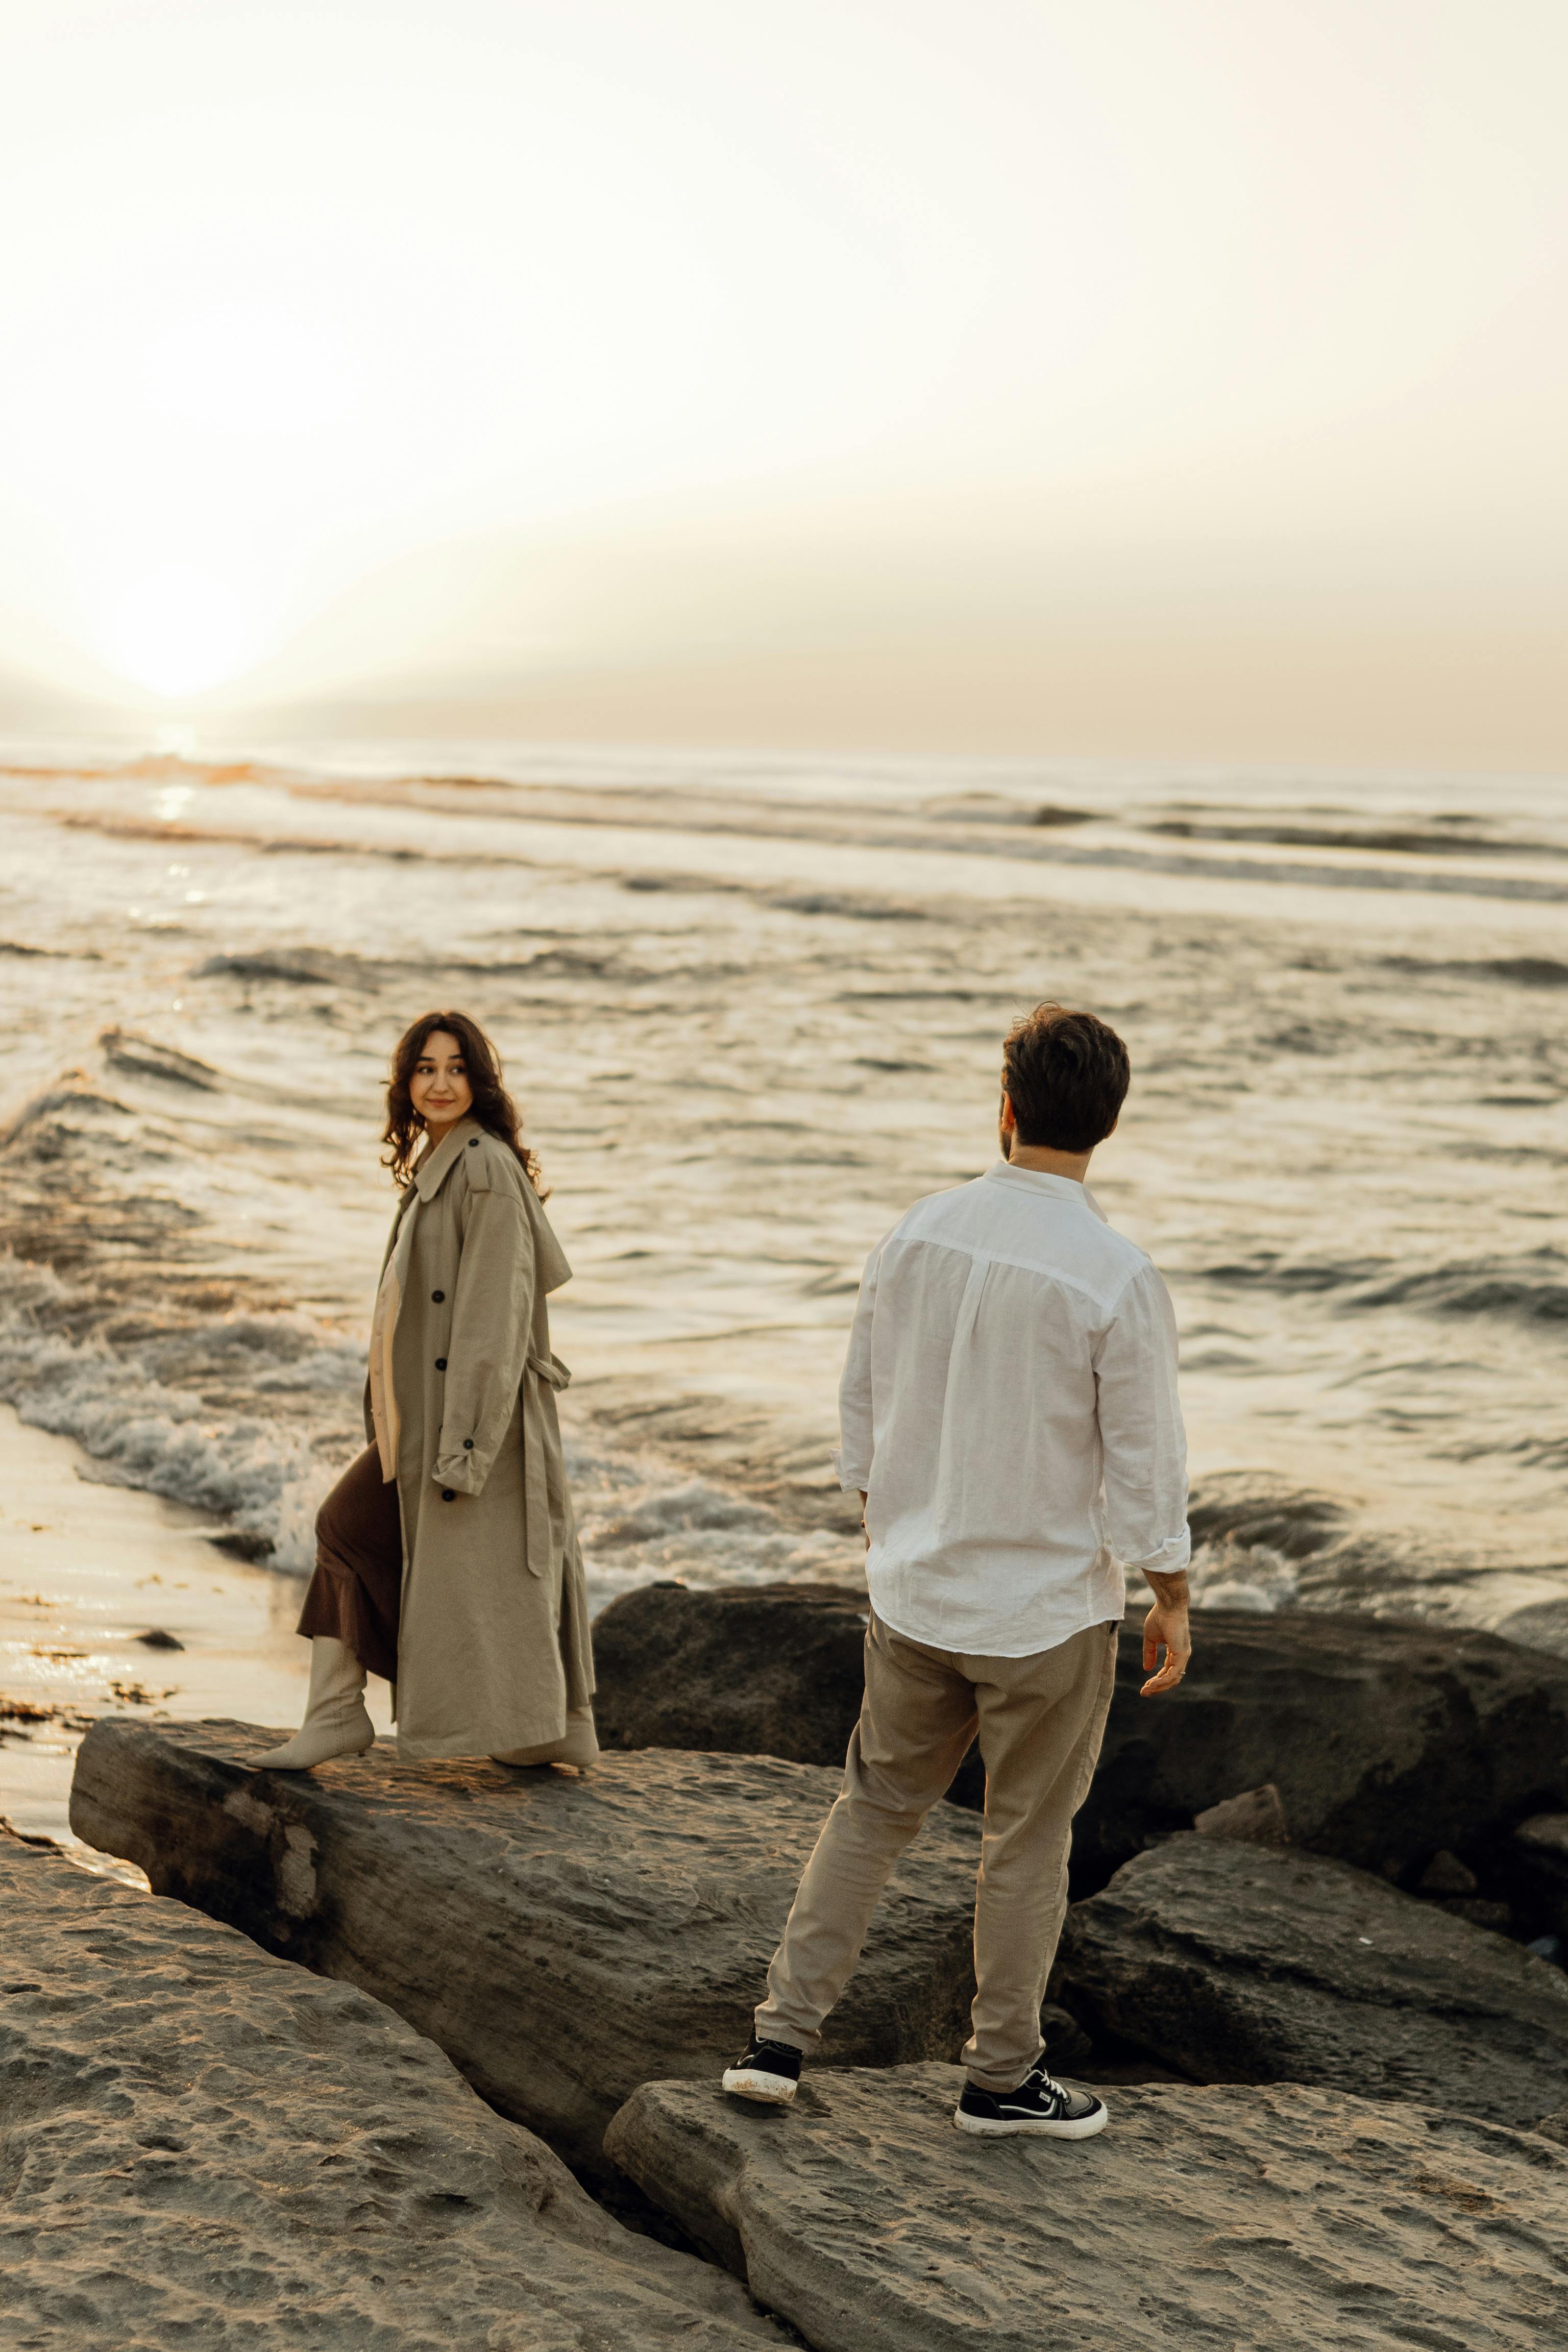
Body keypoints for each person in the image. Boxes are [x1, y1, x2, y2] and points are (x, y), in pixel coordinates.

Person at [721, 1002, 1190, 2139]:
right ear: (1108, 1125)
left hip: (917, 1588)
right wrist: (1169, 1588)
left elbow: (862, 1394)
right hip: (1043, 1612)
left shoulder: (919, 1231)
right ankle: (1001, 2079)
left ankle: (778, 2042)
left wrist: (882, 1511)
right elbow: (1145, 1456)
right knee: (1026, 1839)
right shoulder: (1115, 1274)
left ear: (1006, 1107)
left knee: (873, 1808)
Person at [254, 1011, 597, 1772]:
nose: (440, 1083)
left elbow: (493, 1321)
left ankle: (342, 1716)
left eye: (455, 1068)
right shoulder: (441, 1165)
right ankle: (535, 1729)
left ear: (479, 1081)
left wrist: (466, 1445)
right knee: (486, 1574)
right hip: (433, 1420)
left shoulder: (482, 1167)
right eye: (425, 1069)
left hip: (479, 1424)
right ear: (406, 1085)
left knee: (367, 1530)